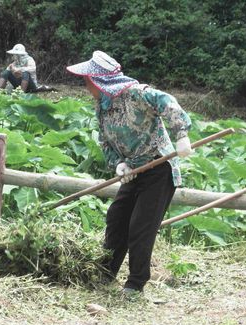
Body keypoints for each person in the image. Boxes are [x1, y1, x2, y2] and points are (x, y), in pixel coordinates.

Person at [66, 51, 193, 296]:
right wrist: (119, 164)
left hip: (158, 166)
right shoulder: (103, 107)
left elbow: (166, 101)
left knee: (140, 225)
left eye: (87, 81)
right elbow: (105, 141)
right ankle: (105, 273)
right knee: (117, 217)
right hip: (134, 169)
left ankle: (135, 283)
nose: (85, 86)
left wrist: (182, 134)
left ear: (98, 80)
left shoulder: (136, 93)